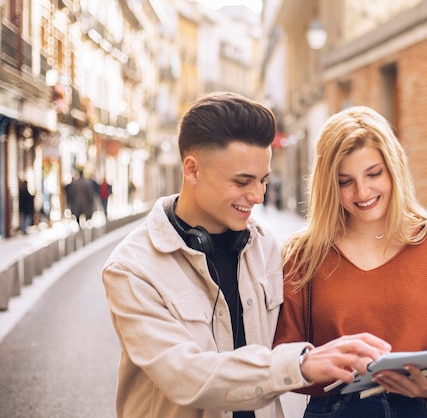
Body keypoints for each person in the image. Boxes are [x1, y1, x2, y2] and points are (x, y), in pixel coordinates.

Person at [101, 92, 391, 418]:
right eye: (242, 181)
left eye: (263, 180)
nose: (257, 196)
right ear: (192, 170)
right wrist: (299, 365)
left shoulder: (268, 247)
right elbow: (184, 375)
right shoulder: (131, 269)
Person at [273, 106, 427, 418]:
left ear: (394, 169)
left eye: (374, 174)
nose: (363, 191)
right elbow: (286, 358)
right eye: (345, 181)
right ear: (329, 185)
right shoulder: (303, 255)